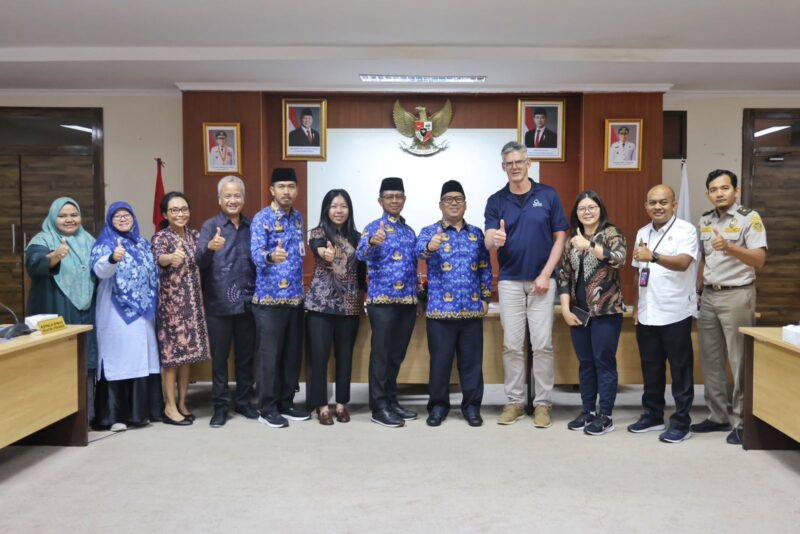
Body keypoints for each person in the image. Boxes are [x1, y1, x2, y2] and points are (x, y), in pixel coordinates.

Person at [484, 141, 568, 428]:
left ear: (528, 163)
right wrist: (493, 240)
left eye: (519, 162)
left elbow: (560, 237)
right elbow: (487, 238)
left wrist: (546, 273)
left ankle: (542, 404)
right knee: (512, 345)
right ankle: (515, 402)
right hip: (509, 281)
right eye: (509, 163)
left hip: (542, 281)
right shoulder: (496, 200)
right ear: (503, 167)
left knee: (542, 345)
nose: (515, 167)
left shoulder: (547, 195)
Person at [691, 169, 767, 445]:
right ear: (707, 194)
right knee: (711, 360)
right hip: (710, 295)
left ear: (736, 191)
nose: (719, 193)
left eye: (724, 188)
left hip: (737, 295)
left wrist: (732, 247)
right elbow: (704, 259)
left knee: (739, 359)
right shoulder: (706, 219)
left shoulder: (750, 218)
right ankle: (718, 415)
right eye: (713, 189)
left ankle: (742, 421)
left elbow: (759, 259)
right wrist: (698, 290)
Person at [416, 180, 492, 427]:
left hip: (471, 310)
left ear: (466, 204)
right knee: (440, 363)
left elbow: (484, 267)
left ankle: (471, 408)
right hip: (440, 312)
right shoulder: (430, 231)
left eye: (458, 199)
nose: (454, 203)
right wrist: (430, 246)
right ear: (440, 205)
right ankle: (438, 407)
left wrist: (485, 296)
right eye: (448, 199)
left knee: (472, 364)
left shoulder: (476, 234)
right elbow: (420, 252)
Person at [629, 184, 698, 443]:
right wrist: (636, 307)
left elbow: (683, 263)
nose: (658, 207)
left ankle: (681, 421)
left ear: (674, 205)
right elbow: (638, 272)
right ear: (646, 206)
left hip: (676, 310)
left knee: (680, 369)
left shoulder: (686, 230)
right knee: (651, 367)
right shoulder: (642, 232)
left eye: (663, 202)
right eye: (653, 203)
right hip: (648, 312)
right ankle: (653, 414)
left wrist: (654, 256)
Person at [557, 191, 627, 436]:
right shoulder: (570, 240)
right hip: (578, 312)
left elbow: (619, 259)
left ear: (600, 209)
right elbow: (564, 277)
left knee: (603, 362)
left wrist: (591, 246)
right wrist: (565, 309)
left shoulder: (611, 233)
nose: (587, 211)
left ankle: (605, 416)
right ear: (576, 213)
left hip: (606, 311)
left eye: (591, 207)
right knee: (585, 364)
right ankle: (588, 411)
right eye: (581, 208)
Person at [90, 202, 162, 432]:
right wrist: (113, 258)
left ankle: (140, 414)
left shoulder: (142, 243)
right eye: (117, 216)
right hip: (114, 311)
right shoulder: (104, 244)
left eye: (127, 215)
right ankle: (114, 415)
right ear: (110, 220)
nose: (122, 219)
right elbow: (100, 270)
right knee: (118, 359)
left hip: (143, 313)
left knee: (141, 358)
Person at [26, 197, 98, 421]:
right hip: (54, 307)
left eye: (73, 215)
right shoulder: (43, 239)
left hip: (85, 310)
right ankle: (53, 419)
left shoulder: (89, 240)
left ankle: (85, 417)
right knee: (55, 361)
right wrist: (55, 256)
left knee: (85, 360)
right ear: (53, 217)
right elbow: (34, 264)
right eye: (63, 215)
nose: (69, 220)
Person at [196, 176, 259, 428]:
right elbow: (199, 262)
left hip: (247, 302)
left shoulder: (253, 225)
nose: (233, 200)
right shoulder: (210, 226)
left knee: (246, 357)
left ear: (243, 199)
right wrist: (210, 247)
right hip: (219, 304)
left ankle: (243, 402)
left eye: (237, 196)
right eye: (228, 196)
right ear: (219, 199)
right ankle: (220, 406)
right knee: (220, 359)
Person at [356, 177, 419, 428]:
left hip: (407, 301)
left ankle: (391, 401)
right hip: (382, 302)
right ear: (380, 200)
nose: (394, 200)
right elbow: (360, 254)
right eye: (389, 196)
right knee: (381, 355)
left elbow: (414, 268)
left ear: (404, 200)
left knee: (396, 355)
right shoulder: (373, 228)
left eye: (399, 196)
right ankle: (379, 406)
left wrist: (416, 297)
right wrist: (372, 242)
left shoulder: (409, 231)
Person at [250, 168, 310, 428]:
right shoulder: (261, 218)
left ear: (296, 190)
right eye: (281, 186)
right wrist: (270, 257)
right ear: (272, 190)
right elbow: (254, 253)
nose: (287, 191)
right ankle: (267, 407)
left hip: (295, 299)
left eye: (291, 186)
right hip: (269, 300)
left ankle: (286, 402)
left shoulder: (297, 218)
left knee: (291, 356)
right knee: (269, 357)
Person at [305, 189, 366, 425]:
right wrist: (326, 254)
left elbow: (361, 273)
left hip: (349, 304)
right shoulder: (318, 232)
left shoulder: (358, 237)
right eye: (333, 206)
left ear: (349, 210)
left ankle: (341, 404)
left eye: (343, 206)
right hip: (321, 304)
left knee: (345, 357)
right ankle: (321, 406)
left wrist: (363, 298)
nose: (338, 210)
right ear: (326, 209)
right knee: (319, 357)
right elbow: (318, 248)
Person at [152, 191, 211, 426]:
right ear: (165, 214)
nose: (180, 214)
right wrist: (169, 258)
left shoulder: (195, 235)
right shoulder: (161, 237)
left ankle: (183, 402)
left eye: (184, 209)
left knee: (187, 358)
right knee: (172, 359)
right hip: (172, 308)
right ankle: (169, 406)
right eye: (174, 210)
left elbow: (204, 259)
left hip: (194, 305)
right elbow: (159, 258)